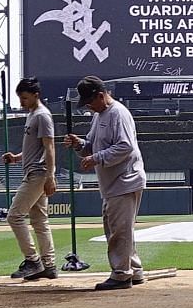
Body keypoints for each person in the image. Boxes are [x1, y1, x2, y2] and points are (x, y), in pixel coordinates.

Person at [63, 75, 146, 290]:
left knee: (119, 230)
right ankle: (134, 270)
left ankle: (121, 274)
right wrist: (79, 144)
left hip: (125, 179)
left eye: (90, 102)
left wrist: (96, 158)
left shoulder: (118, 113)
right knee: (120, 228)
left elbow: (125, 146)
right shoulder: (99, 115)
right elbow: (92, 144)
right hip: (112, 183)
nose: (88, 107)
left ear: (101, 95)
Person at [0, 77, 58, 280]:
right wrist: (16, 158)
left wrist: (51, 176)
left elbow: (50, 147)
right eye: (20, 98)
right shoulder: (33, 115)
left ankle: (33, 261)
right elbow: (36, 148)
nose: (21, 102)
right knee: (40, 221)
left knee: (14, 216)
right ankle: (48, 265)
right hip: (34, 171)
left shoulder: (42, 116)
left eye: (24, 98)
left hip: (38, 174)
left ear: (36, 95)